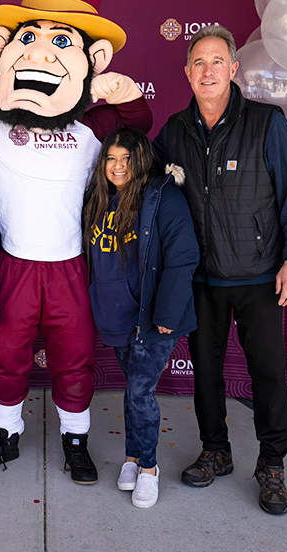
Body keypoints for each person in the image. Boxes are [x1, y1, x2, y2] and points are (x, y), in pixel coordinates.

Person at [0, 0, 152, 486]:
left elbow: (138, 129)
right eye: (28, 39)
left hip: (72, 263)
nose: (42, 56)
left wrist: (129, 94)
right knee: (6, 357)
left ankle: (75, 442)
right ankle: (7, 437)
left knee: (75, 359)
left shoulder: (90, 128)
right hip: (12, 262)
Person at [153, 24, 287, 515]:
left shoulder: (267, 122)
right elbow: (151, 190)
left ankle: (272, 465)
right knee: (206, 376)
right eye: (198, 62)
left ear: (233, 68)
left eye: (216, 61)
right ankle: (215, 451)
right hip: (201, 279)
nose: (207, 71)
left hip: (261, 276)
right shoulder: (174, 130)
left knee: (266, 375)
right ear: (187, 72)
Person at [83, 127, 198, 508]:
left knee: (140, 390)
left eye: (126, 159)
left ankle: (148, 469)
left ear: (142, 161)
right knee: (133, 388)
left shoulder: (164, 197)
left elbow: (183, 258)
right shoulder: (99, 198)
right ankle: (132, 457)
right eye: (111, 159)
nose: (118, 167)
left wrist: (167, 312)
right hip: (115, 312)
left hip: (151, 316)